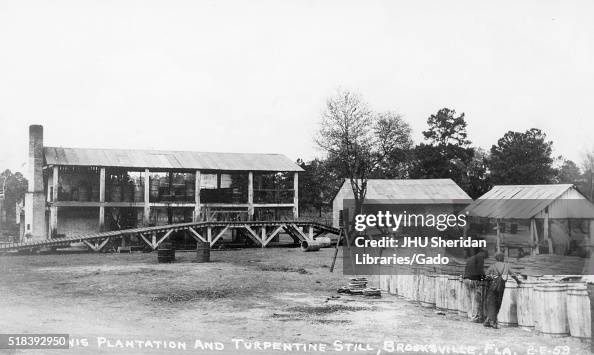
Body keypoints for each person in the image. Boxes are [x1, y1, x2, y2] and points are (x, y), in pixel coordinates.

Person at [483, 252, 522, 328]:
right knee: (498, 303)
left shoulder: (493, 266)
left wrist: (492, 277)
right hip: (501, 286)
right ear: (502, 258)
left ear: (496, 258)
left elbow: (486, 275)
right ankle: (491, 321)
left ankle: (490, 321)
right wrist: (518, 281)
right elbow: (513, 275)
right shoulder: (506, 266)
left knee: (491, 302)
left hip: (493, 286)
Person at [463, 248, 488, 322]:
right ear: (483, 254)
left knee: (469, 298)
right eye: (485, 256)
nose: (485, 258)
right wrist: (484, 278)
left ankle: (469, 315)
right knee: (475, 298)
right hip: (473, 280)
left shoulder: (471, 258)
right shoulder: (480, 257)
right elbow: (480, 270)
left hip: (466, 279)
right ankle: (474, 317)